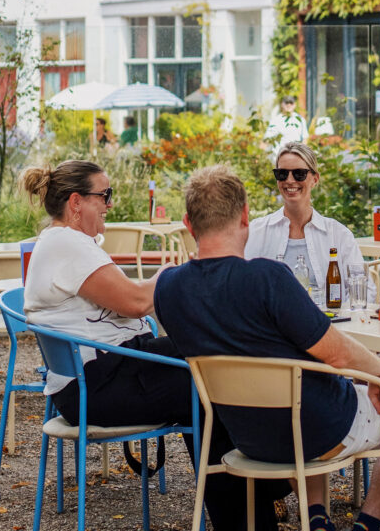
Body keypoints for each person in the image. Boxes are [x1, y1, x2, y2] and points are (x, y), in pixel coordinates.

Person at [156, 165, 380, 531]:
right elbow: (336, 352)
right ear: (245, 216)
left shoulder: (168, 288)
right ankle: (369, 523)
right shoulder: (267, 277)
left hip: (245, 436)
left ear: (188, 224)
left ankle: (319, 515)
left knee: (311, 388)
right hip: (317, 429)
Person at [20, 159, 283, 531]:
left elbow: (128, 301)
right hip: (97, 384)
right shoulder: (66, 244)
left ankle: (260, 493)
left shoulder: (68, 243)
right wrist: (178, 273)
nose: (110, 204)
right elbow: (134, 301)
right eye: (104, 195)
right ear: (76, 203)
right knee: (213, 386)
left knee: (213, 361)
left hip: (104, 373)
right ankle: (258, 501)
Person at [245, 141, 364, 296]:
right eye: (282, 174)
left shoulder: (338, 235)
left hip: (327, 319)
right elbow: (241, 284)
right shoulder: (257, 231)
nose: (289, 180)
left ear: (315, 179)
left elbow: (364, 289)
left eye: (298, 173)